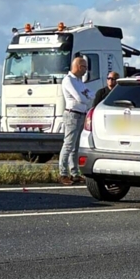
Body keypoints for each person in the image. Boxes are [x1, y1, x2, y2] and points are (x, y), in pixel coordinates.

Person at [59, 56, 92, 185]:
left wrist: (87, 96)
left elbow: (91, 94)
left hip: (81, 114)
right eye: (84, 67)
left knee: (75, 147)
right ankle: (63, 173)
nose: (86, 70)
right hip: (72, 114)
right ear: (78, 67)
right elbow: (81, 98)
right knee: (68, 144)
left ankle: (74, 173)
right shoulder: (68, 80)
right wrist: (86, 96)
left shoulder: (79, 81)